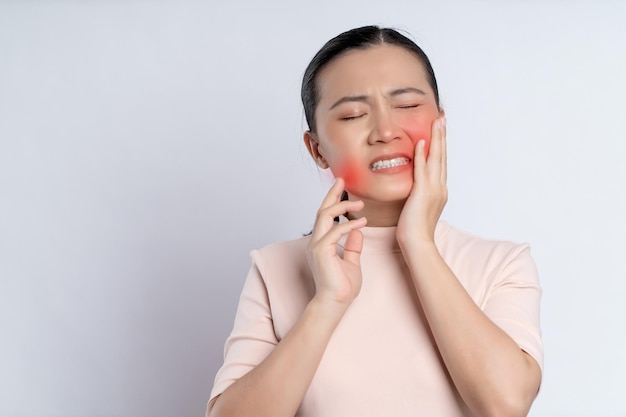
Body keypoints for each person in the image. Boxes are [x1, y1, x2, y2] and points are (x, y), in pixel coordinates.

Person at [206, 25, 543, 417]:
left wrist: (418, 243)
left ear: (441, 122)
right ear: (317, 149)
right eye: (353, 114)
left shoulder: (501, 264)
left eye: (406, 105)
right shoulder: (275, 267)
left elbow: (506, 404)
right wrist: (327, 303)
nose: (385, 131)